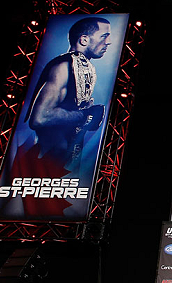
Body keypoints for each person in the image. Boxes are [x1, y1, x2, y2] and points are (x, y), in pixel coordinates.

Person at [24, 16, 110, 169]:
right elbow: (39, 117)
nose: (108, 42)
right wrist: (84, 116)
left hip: (63, 165)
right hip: (45, 166)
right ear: (84, 40)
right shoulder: (64, 66)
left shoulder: (81, 65)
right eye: (103, 37)